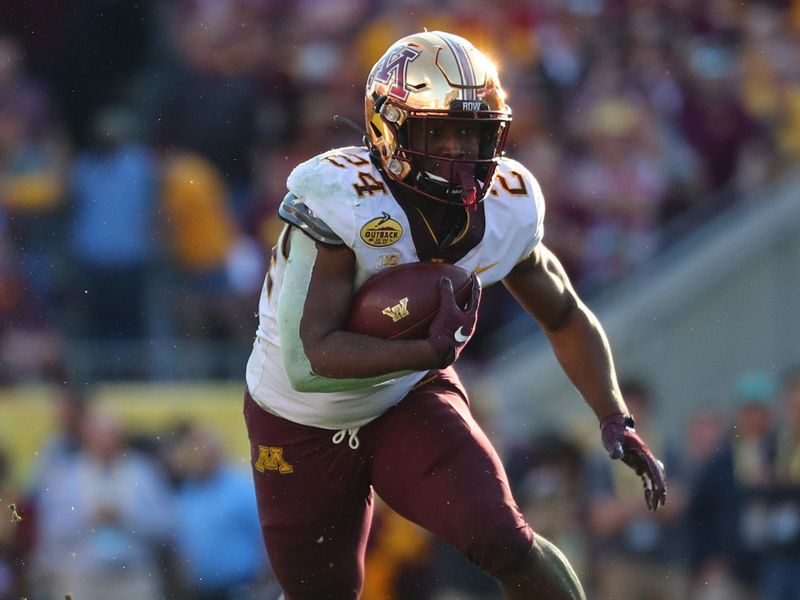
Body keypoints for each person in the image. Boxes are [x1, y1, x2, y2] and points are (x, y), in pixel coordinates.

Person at [243, 31, 666, 600]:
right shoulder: (339, 197)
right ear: (388, 128)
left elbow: (564, 314)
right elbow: (309, 358)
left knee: (505, 540)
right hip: (297, 417)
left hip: (404, 397)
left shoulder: (507, 205)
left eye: (473, 134)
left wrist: (615, 417)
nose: (459, 152)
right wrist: (426, 352)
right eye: (438, 131)